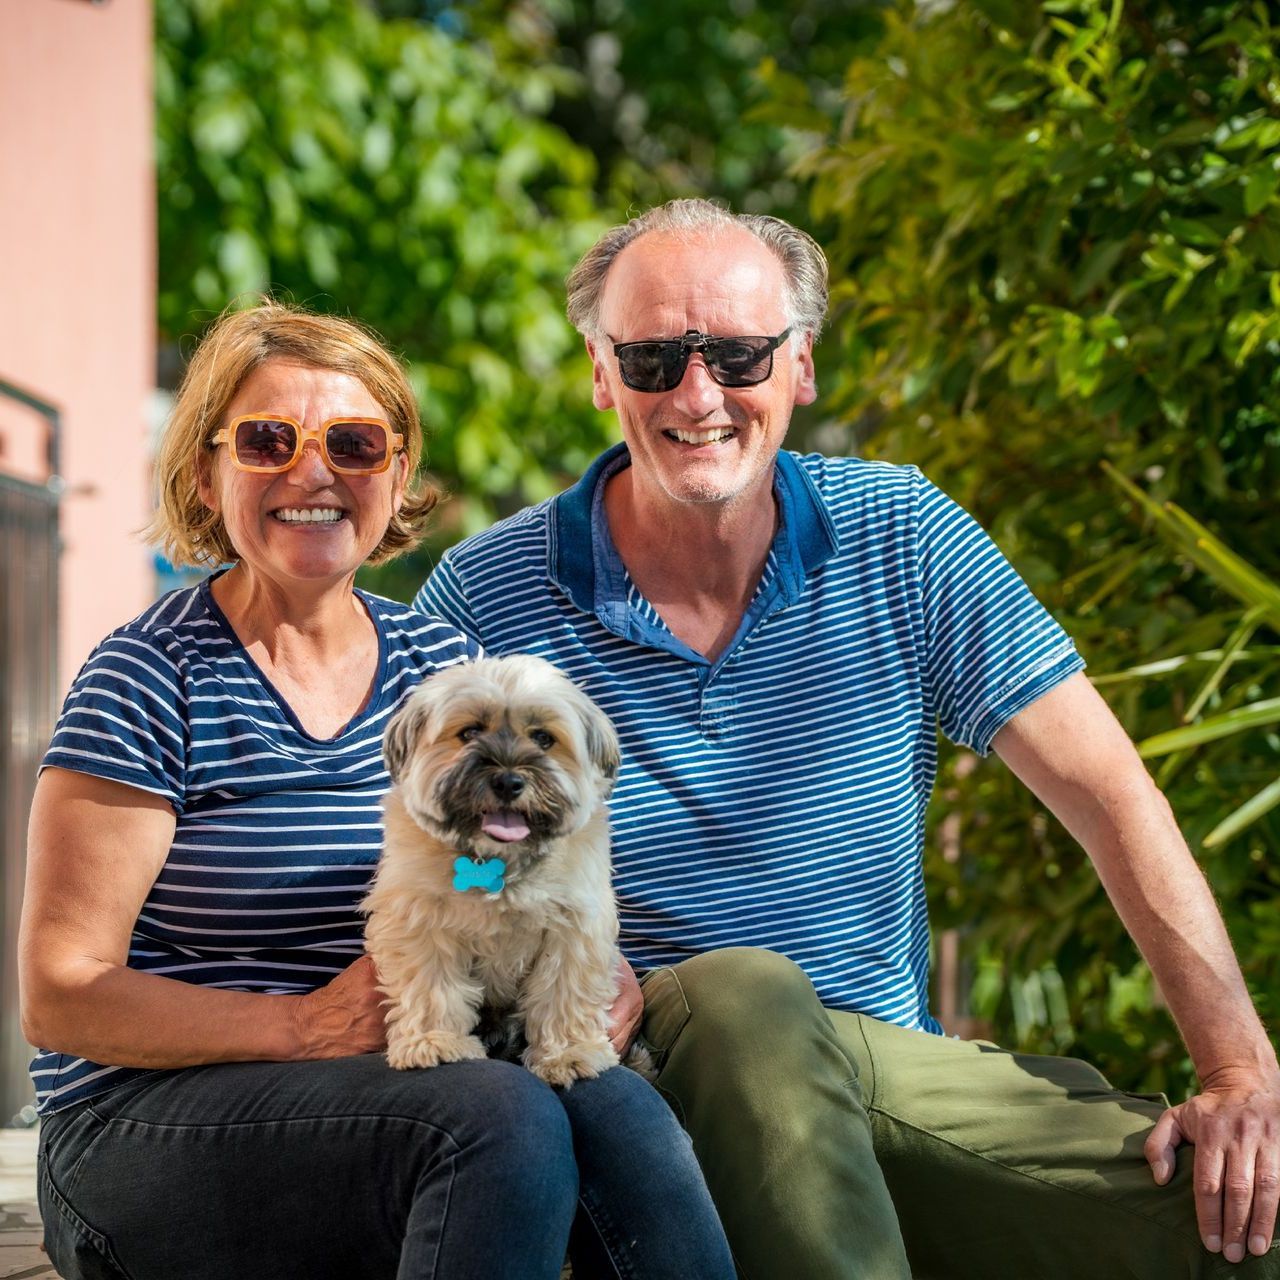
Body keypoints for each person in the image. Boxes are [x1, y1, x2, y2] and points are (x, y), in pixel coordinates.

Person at [415, 199, 1280, 1279]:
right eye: (651, 359)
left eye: (736, 354)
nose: (697, 394)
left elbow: (1109, 795)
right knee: (743, 993)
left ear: (800, 367)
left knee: (1237, 1215)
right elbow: (437, 851)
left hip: (881, 1069)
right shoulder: (488, 594)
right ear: (600, 374)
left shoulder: (901, 535)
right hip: (639, 1069)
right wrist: (565, 951)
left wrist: (1236, 1074)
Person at [18, 301, 735, 1280]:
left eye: (353, 444)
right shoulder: (149, 676)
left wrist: (553, 953)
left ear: (393, 475)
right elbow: (60, 997)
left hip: (382, 1079)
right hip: (143, 1124)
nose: (311, 473)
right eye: (268, 441)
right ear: (205, 471)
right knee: (499, 1114)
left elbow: (483, 862)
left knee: (624, 1116)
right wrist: (302, 1023)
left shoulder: (439, 667)